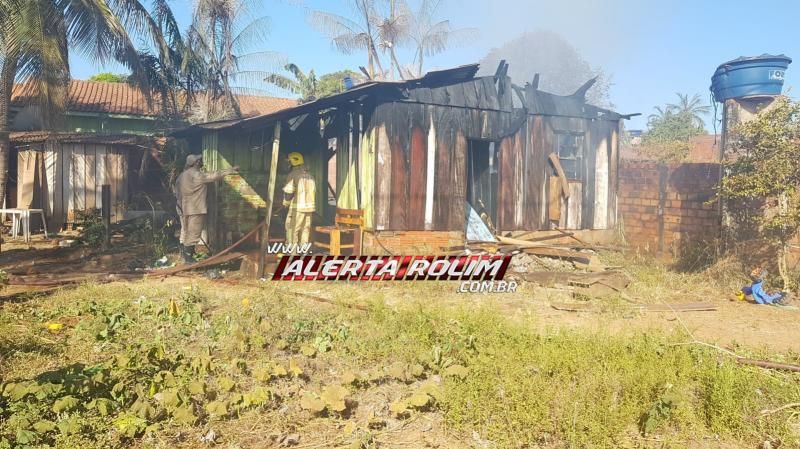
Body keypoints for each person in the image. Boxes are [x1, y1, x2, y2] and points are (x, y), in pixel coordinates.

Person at [174, 154, 238, 263]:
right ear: (196, 163)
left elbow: (176, 192)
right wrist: (231, 170)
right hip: (195, 209)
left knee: (184, 231)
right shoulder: (197, 175)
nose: (201, 162)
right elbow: (214, 176)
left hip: (182, 208)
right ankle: (189, 259)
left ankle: (185, 254)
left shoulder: (181, 176)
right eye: (200, 160)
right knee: (193, 233)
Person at [282, 152, 316, 247]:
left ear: (291, 163)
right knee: (305, 230)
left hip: (297, 209)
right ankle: (303, 252)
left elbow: (288, 193)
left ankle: (292, 253)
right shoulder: (310, 176)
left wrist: (285, 203)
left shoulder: (292, 175)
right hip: (309, 209)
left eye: (288, 162)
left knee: (292, 229)